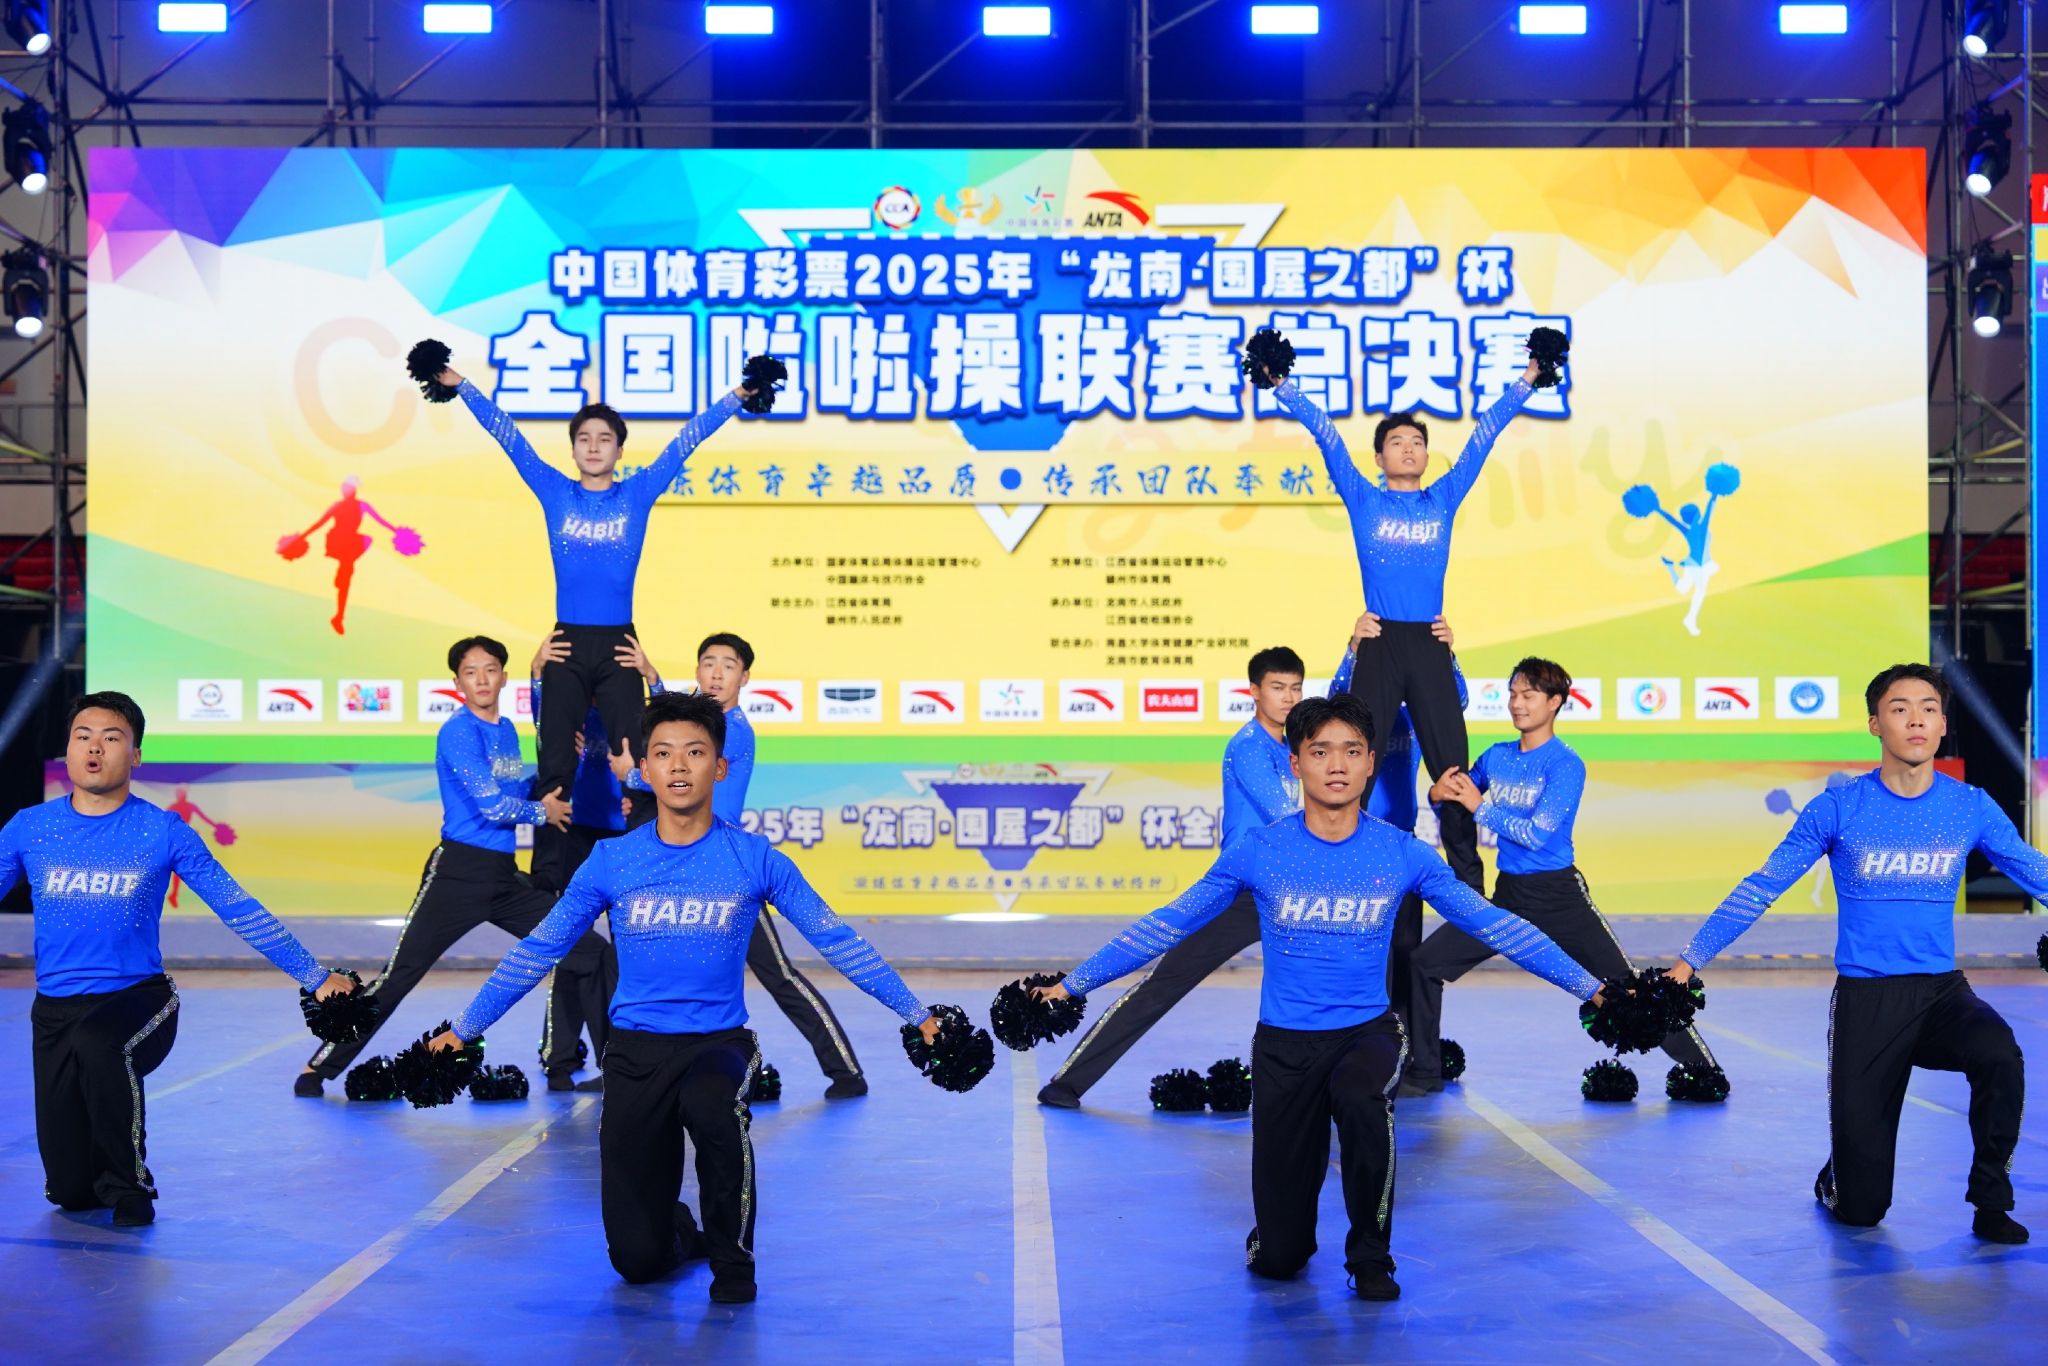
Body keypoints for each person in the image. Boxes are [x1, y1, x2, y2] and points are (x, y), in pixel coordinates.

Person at [1035, 693, 1601, 1300]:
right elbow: (1166, 925)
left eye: (1352, 751)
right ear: (1296, 763)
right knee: (1280, 1259)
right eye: (1320, 751)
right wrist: (1070, 986)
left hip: (1366, 1034)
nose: (1336, 764)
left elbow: (1498, 926)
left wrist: (1593, 988)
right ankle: (1278, 1239)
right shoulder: (1260, 851)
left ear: (1370, 764)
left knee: (1363, 1099)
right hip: (1283, 1048)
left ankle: (1371, 1256)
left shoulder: (1401, 852)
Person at [425, 692, 943, 1302]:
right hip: (634, 1055)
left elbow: (837, 939)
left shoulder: (753, 858)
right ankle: (680, 1233)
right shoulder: (612, 860)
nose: (677, 765)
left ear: (718, 767)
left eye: (694, 753)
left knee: (713, 1105)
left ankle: (733, 1261)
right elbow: (539, 949)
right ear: (644, 769)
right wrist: (465, 1028)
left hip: (718, 1044)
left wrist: (917, 1015)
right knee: (637, 1262)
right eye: (663, 753)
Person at [1667, 663, 2043, 1244]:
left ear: (1943, 724)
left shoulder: (1970, 806)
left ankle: (1990, 1199)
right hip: (1867, 1002)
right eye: (1899, 708)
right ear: (1874, 724)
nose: (1915, 719)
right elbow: (1762, 886)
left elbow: (2033, 870)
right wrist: (1690, 960)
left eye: (1928, 708)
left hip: (1942, 995)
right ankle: (1838, 1177)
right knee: (1862, 1211)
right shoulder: (1839, 807)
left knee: (2000, 1053)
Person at [1037, 614, 1458, 1109]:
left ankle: (1372, 1084)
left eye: (1296, 688)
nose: (1288, 698)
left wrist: (1357, 651)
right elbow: (1291, 819)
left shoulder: (1305, 746)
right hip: (1245, 891)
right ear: (1254, 691)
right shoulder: (1249, 748)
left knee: (1364, 989)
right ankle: (1068, 1082)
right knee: (1165, 982)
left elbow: (1349, 708)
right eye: (1278, 688)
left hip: (1302, 894)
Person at [0, 692, 354, 1224]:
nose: (94, 749)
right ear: (67, 750)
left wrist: (314, 975)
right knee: (72, 1191)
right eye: (82, 737)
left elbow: (237, 906)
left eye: (111, 738)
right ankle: (93, 1179)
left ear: (136, 755)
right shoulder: (29, 827)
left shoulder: (162, 831)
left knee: (102, 1043)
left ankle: (131, 1185)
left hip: (136, 1000)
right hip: (54, 1011)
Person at [432, 354, 752, 865]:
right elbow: (509, 437)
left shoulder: (637, 493)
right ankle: (550, 879)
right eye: (585, 439)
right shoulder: (555, 491)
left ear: (620, 450)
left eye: (605, 439)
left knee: (637, 756)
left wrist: (738, 396)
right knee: (558, 760)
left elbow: (686, 441)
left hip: (619, 645)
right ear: (574, 450)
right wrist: (462, 385)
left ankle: (651, 868)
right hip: (567, 643)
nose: (595, 446)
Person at [1269, 348, 1544, 892]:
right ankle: (1345, 879)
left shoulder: (1442, 499)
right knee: (1356, 758)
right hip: (1379, 643)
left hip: (1428, 642)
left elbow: (1483, 437)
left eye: (1417, 441)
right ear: (1379, 457)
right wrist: (1283, 386)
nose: (1409, 448)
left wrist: (1529, 378)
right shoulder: (1363, 500)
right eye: (1397, 441)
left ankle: (1468, 890)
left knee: (1452, 767)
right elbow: (1326, 435)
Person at [294, 636, 608, 1095]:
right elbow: (491, 807)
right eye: (470, 672)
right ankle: (318, 1068)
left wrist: (555, 752)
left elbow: (511, 791)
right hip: (457, 875)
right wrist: (544, 812)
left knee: (590, 951)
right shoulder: (458, 732)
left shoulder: (506, 729)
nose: (481, 680)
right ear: (457, 683)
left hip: (503, 879)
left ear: (503, 677)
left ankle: (616, 1068)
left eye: (490, 670)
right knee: (399, 976)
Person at [1401, 656, 1722, 1096]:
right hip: (1508, 897)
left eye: (1529, 695)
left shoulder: (1565, 765)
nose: (1517, 703)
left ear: (1554, 702)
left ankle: (1703, 1072)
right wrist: (1437, 795)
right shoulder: (1496, 756)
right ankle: (1424, 1069)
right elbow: (1458, 796)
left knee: (1628, 990)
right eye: (1513, 694)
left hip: (1559, 896)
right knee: (1424, 964)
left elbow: (1536, 835)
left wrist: (1479, 807)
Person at [526, 629, 663, 1091]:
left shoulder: (633, 714)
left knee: (626, 951)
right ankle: (559, 1057)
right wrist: (538, 672)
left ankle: (624, 1053)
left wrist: (651, 675)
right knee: (572, 949)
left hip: (624, 837)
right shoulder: (566, 713)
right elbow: (541, 721)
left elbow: (665, 734)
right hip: (576, 836)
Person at [275, 476, 421, 635]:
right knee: (347, 574)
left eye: (349, 488)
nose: (347, 491)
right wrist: (300, 538)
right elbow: (319, 523)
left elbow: (380, 520)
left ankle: (339, 615)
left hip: (351, 542)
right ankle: (339, 611)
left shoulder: (362, 505)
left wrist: (397, 531)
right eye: (345, 488)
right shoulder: (338, 506)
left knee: (347, 575)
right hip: (338, 541)